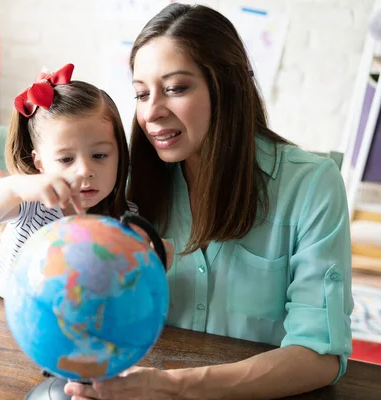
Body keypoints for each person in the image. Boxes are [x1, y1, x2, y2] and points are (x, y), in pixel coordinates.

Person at [65, 3, 353, 399]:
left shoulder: (311, 186)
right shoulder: (124, 181)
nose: (151, 112)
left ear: (226, 87)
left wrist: (171, 388)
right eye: (141, 93)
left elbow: (320, 355)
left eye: (176, 88)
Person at [0, 63, 139, 298]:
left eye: (99, 156)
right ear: (40, 163)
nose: (85, 170)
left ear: (120, 153)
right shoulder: (31, 204)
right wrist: (18, 187)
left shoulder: (126, 220)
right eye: (66, 159)